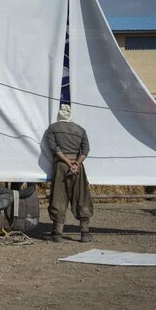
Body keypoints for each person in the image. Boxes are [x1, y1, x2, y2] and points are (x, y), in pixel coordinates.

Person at [46, 104, 93, 243]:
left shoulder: (52, 128)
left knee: (59, 198)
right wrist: (76, 164)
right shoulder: (80, 130)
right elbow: (85, 150)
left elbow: (55, 148)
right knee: (81, 197)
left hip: (61, 165)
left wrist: (67, 162)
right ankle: (84, 233)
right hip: (78, 168)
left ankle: (57, 233)